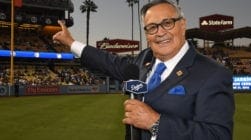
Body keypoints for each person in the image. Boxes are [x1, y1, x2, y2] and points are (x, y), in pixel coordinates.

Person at [53, 0, 235, 140]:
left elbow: (217, 135)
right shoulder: (144, 58)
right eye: (152, 27)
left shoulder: (213, 74)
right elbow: (110, 62)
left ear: (183, 24)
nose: (160, 32)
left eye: (168, 23)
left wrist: (156, 123)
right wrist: (71, 43)